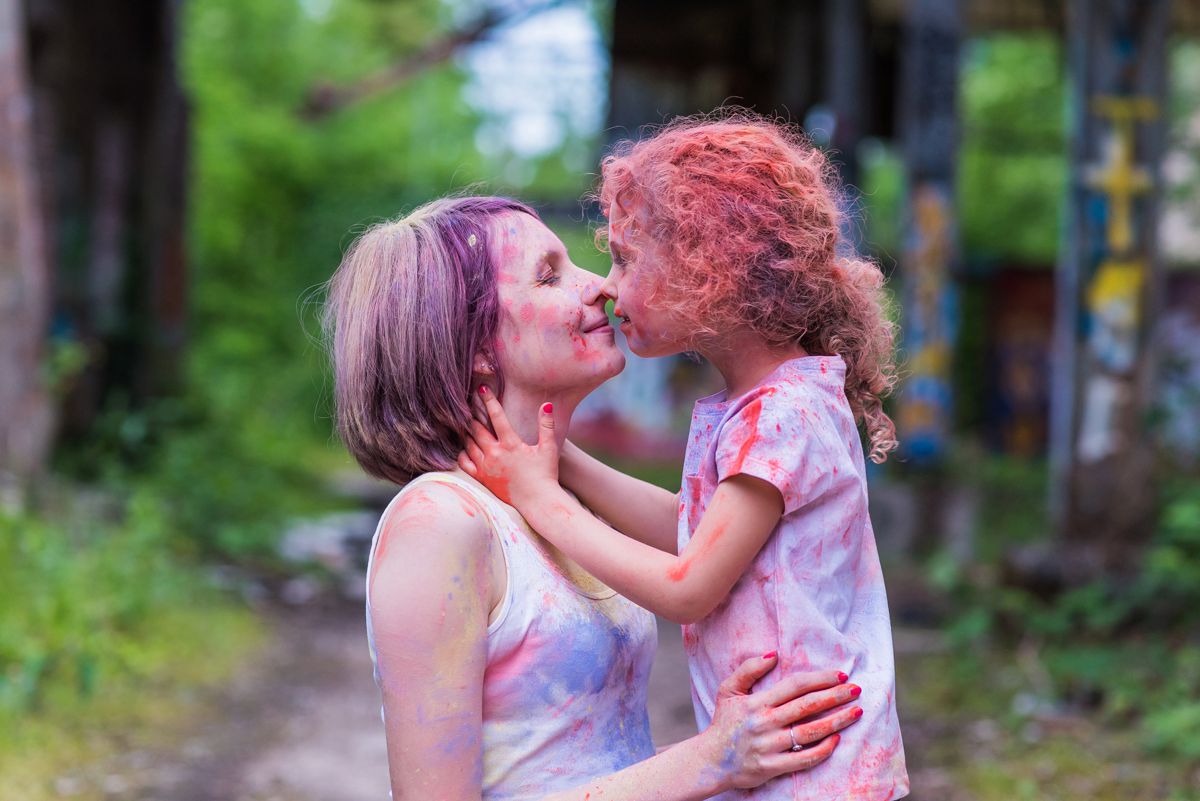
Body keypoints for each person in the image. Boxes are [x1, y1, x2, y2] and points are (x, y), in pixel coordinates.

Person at [322, 195, 865, 801]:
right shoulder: (440, 522)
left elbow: (575, 766)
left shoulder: (547, 503)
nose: (599, 288)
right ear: (471, 343)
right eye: (550, 274)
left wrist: (737, 742)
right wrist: (708, 760)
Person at [461, 113, 910, 801]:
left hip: (819, 771)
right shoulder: (753, 408)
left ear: (711, 269)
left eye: (626, 259)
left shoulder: (783, 413)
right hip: (787, 757)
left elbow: (689, 584)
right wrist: (562, 462)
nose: (605, 286)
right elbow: (690, 526)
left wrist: (545, 503)